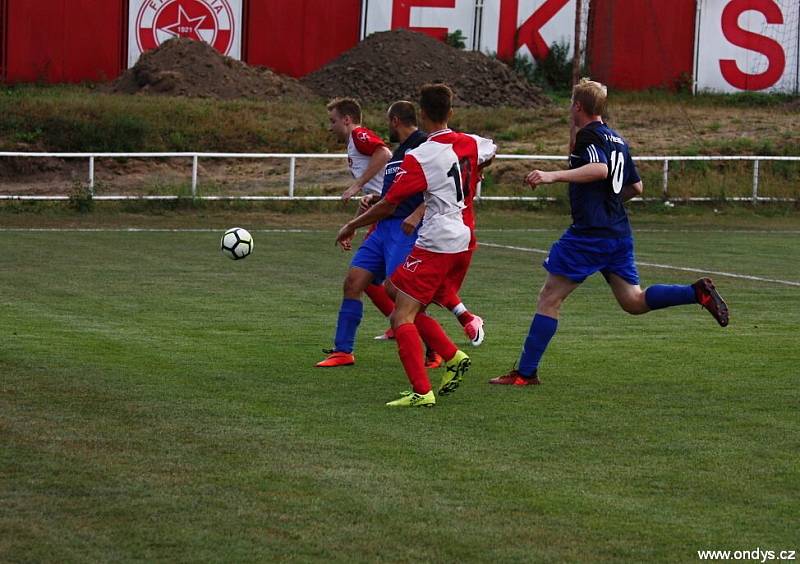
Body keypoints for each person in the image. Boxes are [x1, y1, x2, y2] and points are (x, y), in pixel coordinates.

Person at [490, 78, 729, 387]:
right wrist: (610, 201)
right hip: (617, 232)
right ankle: (695, 292)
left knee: (549, 298)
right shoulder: (616, 138)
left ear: (577, 106)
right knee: (633, 301)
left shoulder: (588, 135)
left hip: (589, 234)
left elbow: (600, 170)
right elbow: (637, 187)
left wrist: (553, 175)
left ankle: (525, 372)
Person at [335, 83, 497, 407]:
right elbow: (491, 151)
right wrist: (471, 175)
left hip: (438, 240)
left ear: (421, 115)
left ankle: (422, 391)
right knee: (395, 289)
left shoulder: (420, 155)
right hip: (465, 237)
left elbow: (389, 205)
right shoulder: (471, 143)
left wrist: (351, 225)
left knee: (401, 316)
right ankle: (455, 349)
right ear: (450, 112)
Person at [317, 101, 484, 369]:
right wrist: (373, 197)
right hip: (383, 225)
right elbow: (395, 194)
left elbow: (444, 186)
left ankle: (437, 352)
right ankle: (343, 350)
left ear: (395, 120)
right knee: (353, 282)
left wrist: (417, 212)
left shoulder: (424, 145)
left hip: (406, 230)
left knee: (403, 297)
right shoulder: (399, 152)